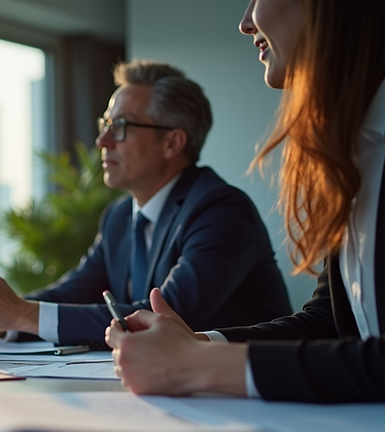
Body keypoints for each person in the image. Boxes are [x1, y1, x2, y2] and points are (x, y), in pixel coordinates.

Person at [106, 0, 385, 403]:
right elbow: (331, 323)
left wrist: (194, 364)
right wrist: (198, 344)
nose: (244, 22)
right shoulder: (353, 158)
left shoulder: (218, 206)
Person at [0, 60, 291, 348]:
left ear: (172, 143)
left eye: (119, 127)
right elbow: (72, 294)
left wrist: (21, 314)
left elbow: (167, 316)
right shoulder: (119, 217)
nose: (102, 140)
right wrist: (3, 318)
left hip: (254, 399)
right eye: (105, 124)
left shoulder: (221, 209)